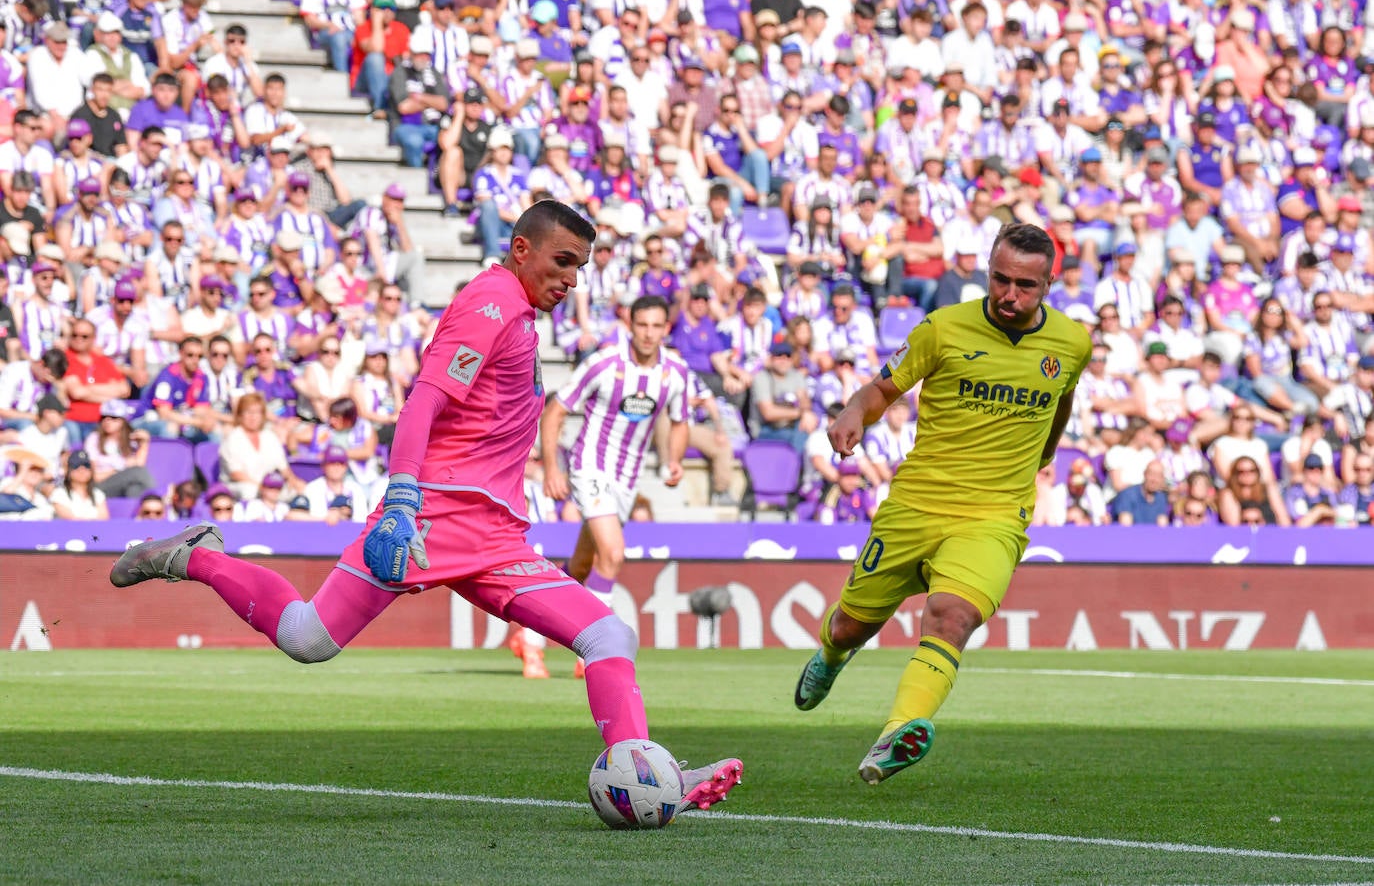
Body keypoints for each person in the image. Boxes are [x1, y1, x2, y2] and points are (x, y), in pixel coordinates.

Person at [109, 200, 741, 812]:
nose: (572, 280)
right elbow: (422, 402)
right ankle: (196, 557)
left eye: (581, 268)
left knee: (609, 634)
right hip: (432, 519)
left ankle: (646, 773)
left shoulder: (516, 313)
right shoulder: (489, 306)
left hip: (493, 535)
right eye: (563, 261)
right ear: (521, 249)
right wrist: (403, 499)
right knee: (308, 638)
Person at [793, 223, 1091, 784]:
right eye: (1000, 279)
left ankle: (898, 731)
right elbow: (882, 388)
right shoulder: (943, 328)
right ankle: (831, 657)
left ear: (1050, 283)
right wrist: (854, 412)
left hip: (996, 514)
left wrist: (1045, 452)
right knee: (851, 627)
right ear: (987, 272)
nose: (1009, 295)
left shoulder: (1072, 343)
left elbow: (1062, 400)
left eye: (1025, 285)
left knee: (952, 616)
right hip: (917, 504)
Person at [538, 294, 689, 678]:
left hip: (625, 480)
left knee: (584, 564)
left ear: (666, 329)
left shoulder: (675, 372)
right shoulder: (604, 364)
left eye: (657, 326)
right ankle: (594, 650)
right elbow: (556, 410)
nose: (649, 334)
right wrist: (552, 468)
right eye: (642, 325)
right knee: (614, 552)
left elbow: (680, 419)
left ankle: (528, 631)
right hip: (591, 469)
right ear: (630, 325)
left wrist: (674, 458)